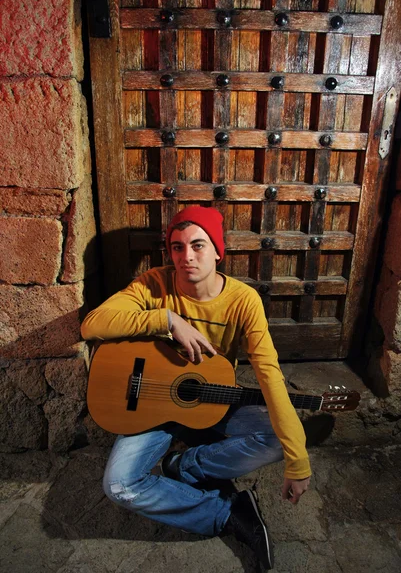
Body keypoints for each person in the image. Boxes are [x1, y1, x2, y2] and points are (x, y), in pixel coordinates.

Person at [81, 205, 311, 571]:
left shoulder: (242, 300)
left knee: (279, 438)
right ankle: (226, 514)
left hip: (211, 399)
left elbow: (269, 375)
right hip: (151, 407)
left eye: (198, 245)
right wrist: (167, 319)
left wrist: (298, 462)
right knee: (120, 485)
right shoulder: (153, 284)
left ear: (219, 251)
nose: (186, 256)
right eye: (177, 247)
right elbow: (93, 324)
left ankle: (185, 467)